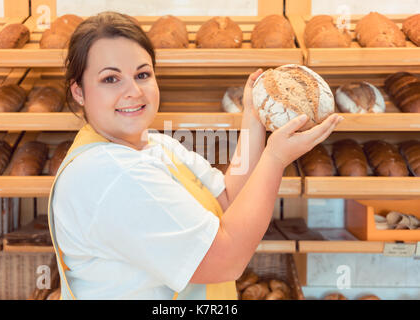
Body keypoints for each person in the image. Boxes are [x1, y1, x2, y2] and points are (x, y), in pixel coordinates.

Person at [48, 11, 343, 300]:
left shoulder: (156, 145)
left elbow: (229, 200)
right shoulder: (108, 174)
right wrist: (275, 158)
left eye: (142, 74)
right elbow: (225, 261)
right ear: (79, 92)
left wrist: (254, 121)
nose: (134, 91)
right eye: (111, 79)